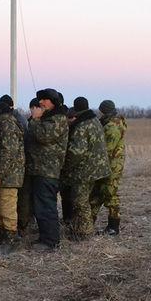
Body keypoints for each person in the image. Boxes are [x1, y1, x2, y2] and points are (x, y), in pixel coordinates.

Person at [62, 97, 110, 241]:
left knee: (80, 202)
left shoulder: (81, 126)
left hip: (86, 171)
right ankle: (81, 229)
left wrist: (65, 166)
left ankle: (84, 234)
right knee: (86, 201)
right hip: (99, 168)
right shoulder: (95, 121)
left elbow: (76, 152)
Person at [29, 88, 69, 251]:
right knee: (40, 207)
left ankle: (51, 242)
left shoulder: (57, 119)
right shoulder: (48, 118)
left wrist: (35, 120)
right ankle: (45, 237)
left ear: (53, 102)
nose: (40, 103)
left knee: (47, 207)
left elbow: (44, 137)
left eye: (44, 100)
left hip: (48, 171)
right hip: (40, 169)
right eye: (40, 100)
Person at [0, 99, 25, 254]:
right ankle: (2, 235)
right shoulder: (2, 123)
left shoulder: (7, 124)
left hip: (8, 176)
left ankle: (10, 239)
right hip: (3, 175)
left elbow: (8, 152)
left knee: (6, 208)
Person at [91, 99, 127, 235]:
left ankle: (113, 227)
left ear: (104, 110)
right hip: (107, 164)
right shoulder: (110, 122)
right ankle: (87, 224)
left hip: (111, 165)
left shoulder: (112, 126)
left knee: (110, 194)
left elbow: (107, 148)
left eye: (101, 111)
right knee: (98, 193)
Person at [18, 98, 40, 234]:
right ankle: (26, 222)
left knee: (28, 197)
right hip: (29, 166)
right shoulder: (28, 122)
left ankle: (25, 223)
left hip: (35, 167)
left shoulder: (35, 123)